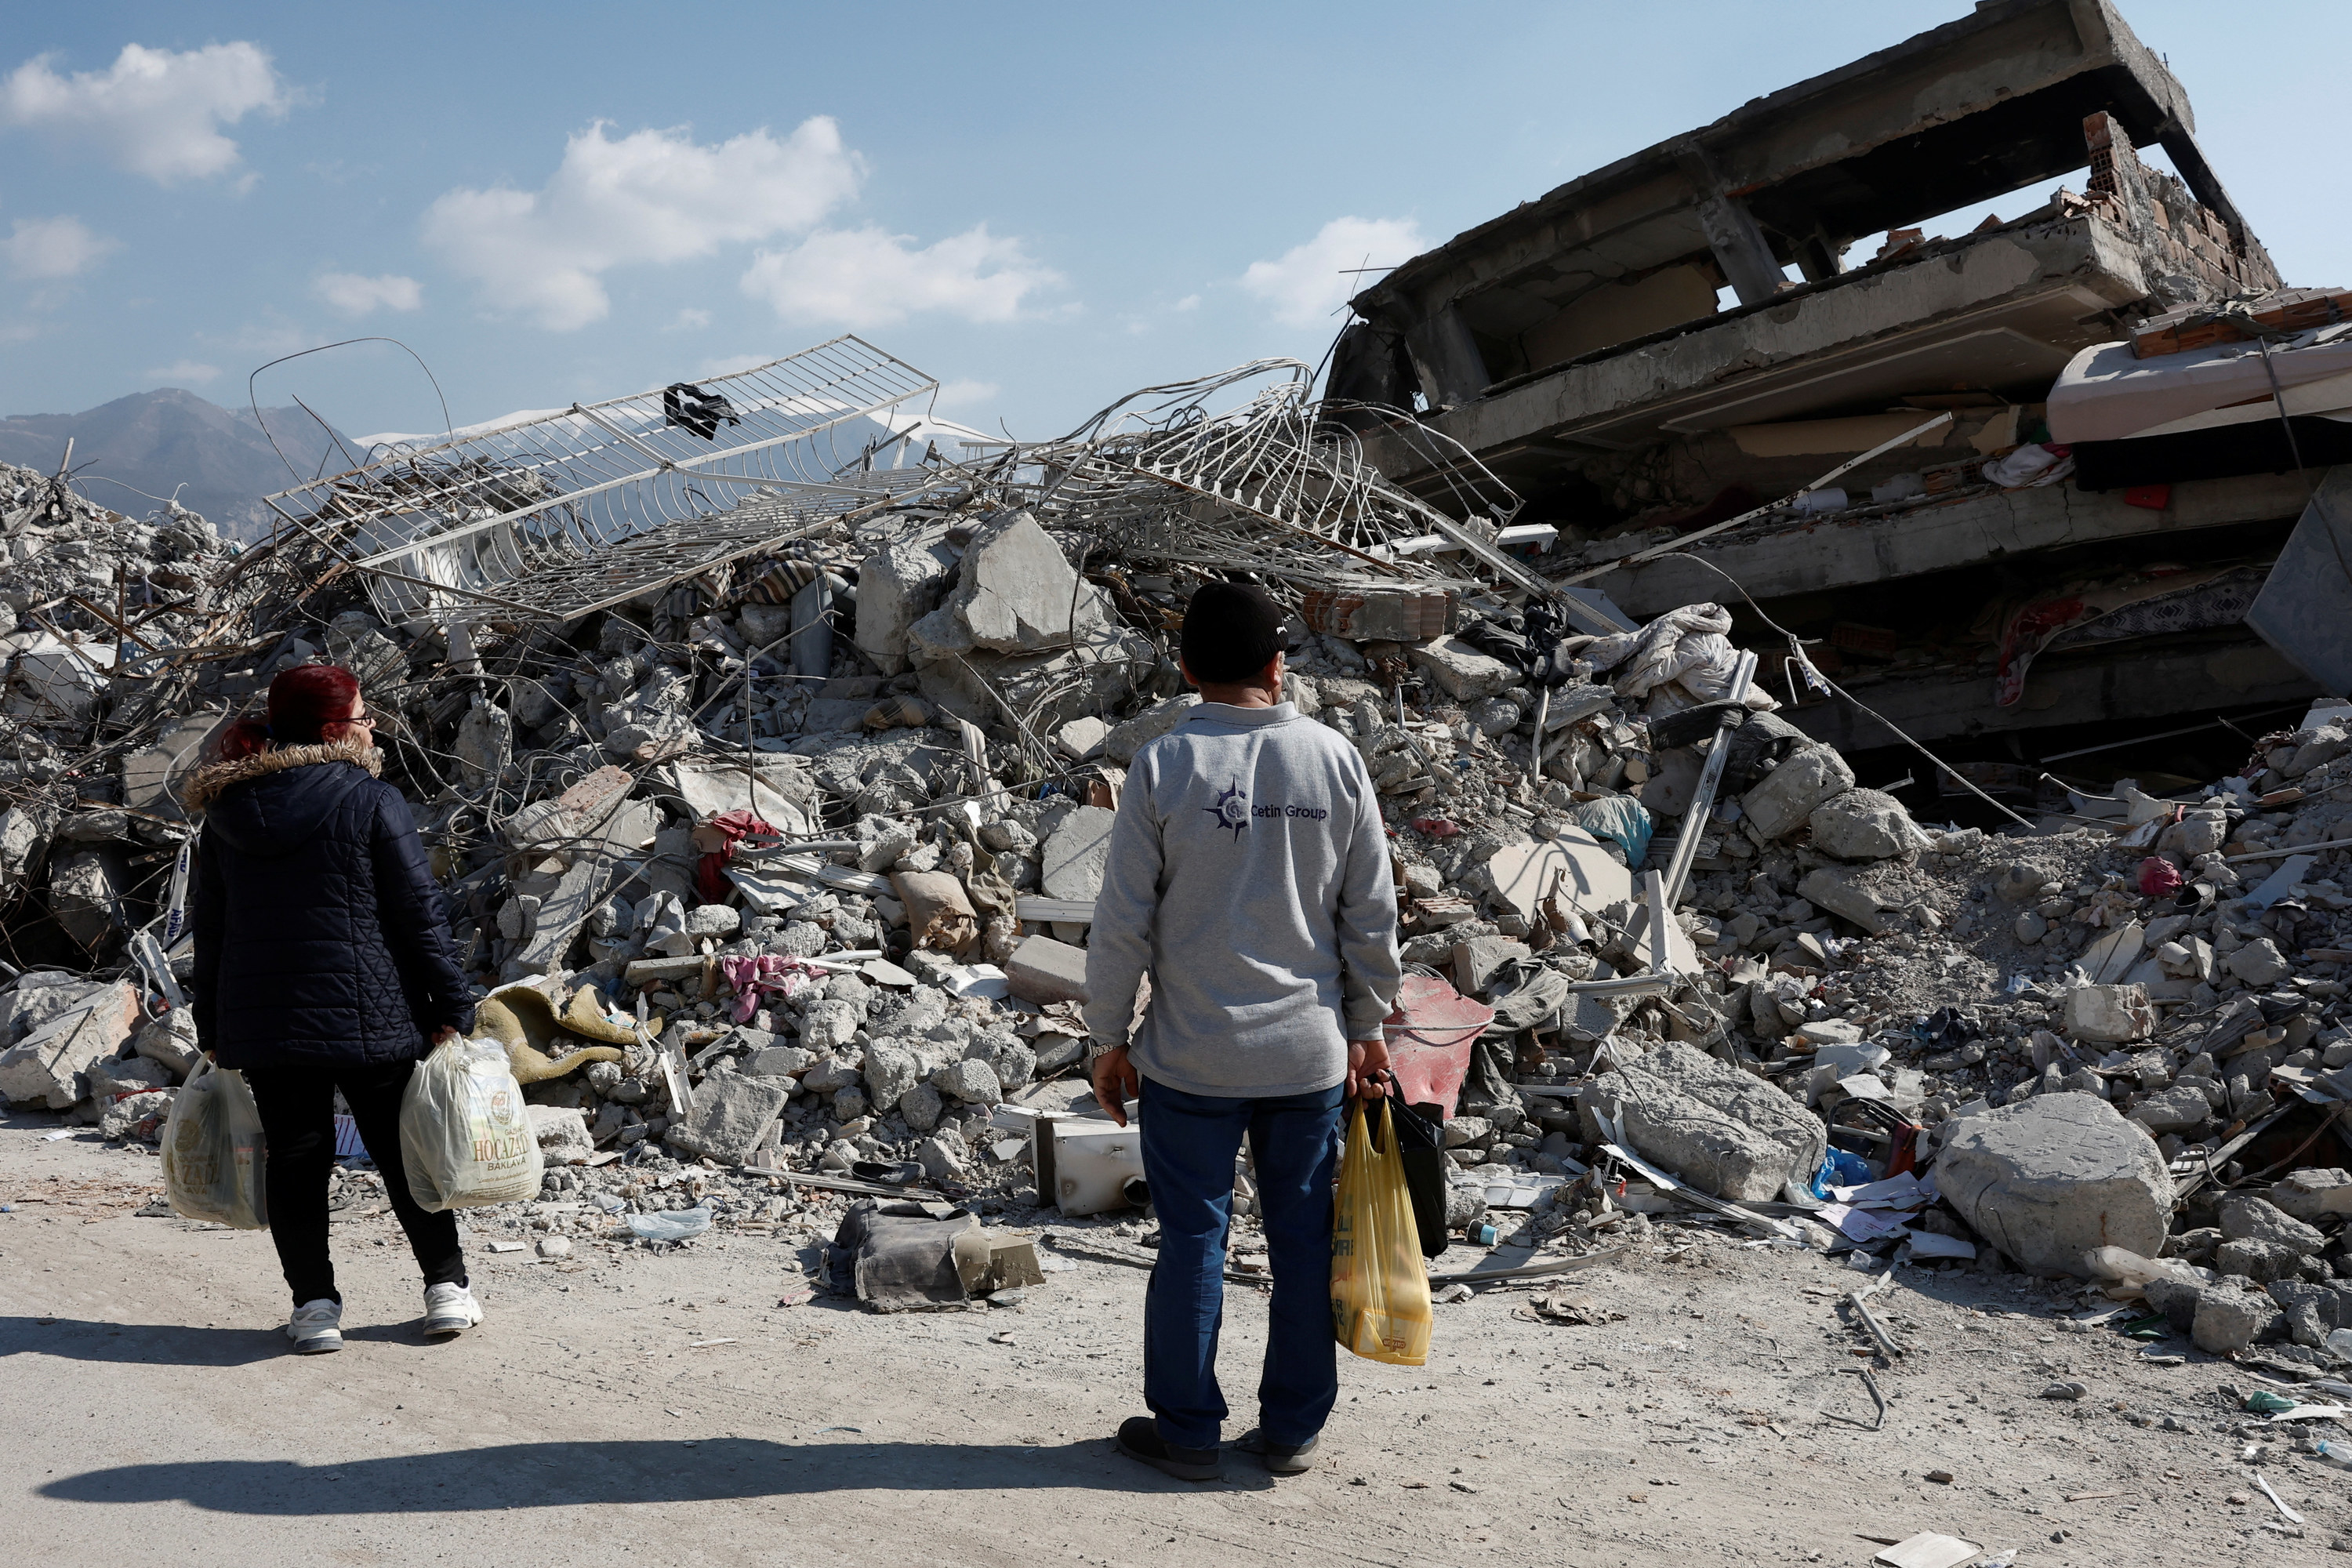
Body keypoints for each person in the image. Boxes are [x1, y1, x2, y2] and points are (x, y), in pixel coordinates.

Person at [1083, 580, 1403, 1480]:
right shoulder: (1333, 759)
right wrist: (1368, 1022)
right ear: (1277, 664)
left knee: (1193, 1238)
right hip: (1306, 1056)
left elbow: (1121, 923)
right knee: (1304, 1239)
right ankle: (1292, 1429)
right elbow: (1370, 914)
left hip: (1190, 1057)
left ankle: (1187, 1431)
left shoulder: (1163, 766)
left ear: (1186, 670)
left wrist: (1107, 1035)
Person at [183, 663, 482, 1354]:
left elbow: (213, 933)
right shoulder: (371, 799)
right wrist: (452, 1003)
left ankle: (314, 1309)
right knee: (405, 1149)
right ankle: (446, 1289)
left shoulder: (227, 814)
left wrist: (214, 1026)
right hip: (370, 1012)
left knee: (296, 1157)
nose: (371, 724)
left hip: (267, 1020)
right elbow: (419, 915)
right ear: (330, 729)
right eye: (362, 715)